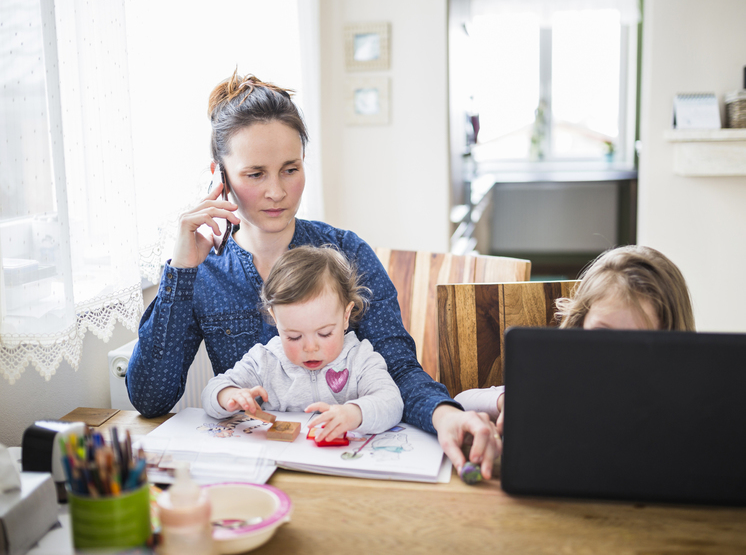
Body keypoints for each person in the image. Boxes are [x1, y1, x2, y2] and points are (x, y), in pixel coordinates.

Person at [126, 71, 498, 478]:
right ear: (221, 176)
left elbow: (397, 368)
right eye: (255, 174)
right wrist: (180, 273)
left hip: (346, 464)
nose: (277, 191)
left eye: (290, 169)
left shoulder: (346, 252)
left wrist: (444, 415)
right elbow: (150, 398)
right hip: (253, 471)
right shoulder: (203, 271)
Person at [454, 244, 696, 436]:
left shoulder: (685, 399)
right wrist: (506, 401)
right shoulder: (561, 381)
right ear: (580, 324)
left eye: (640, 342)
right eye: (602, 334)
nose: (617, 356)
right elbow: (461, 402)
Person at [201, 245, 403, 441]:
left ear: (345, 316)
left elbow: (392, 402)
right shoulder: (265, 360)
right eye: (294, 337)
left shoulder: (360, 359)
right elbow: (212, 390)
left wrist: (355, 413)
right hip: (282, 466)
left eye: (324, 333)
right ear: (276, 319)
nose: (310, 348)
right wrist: (229, 396)